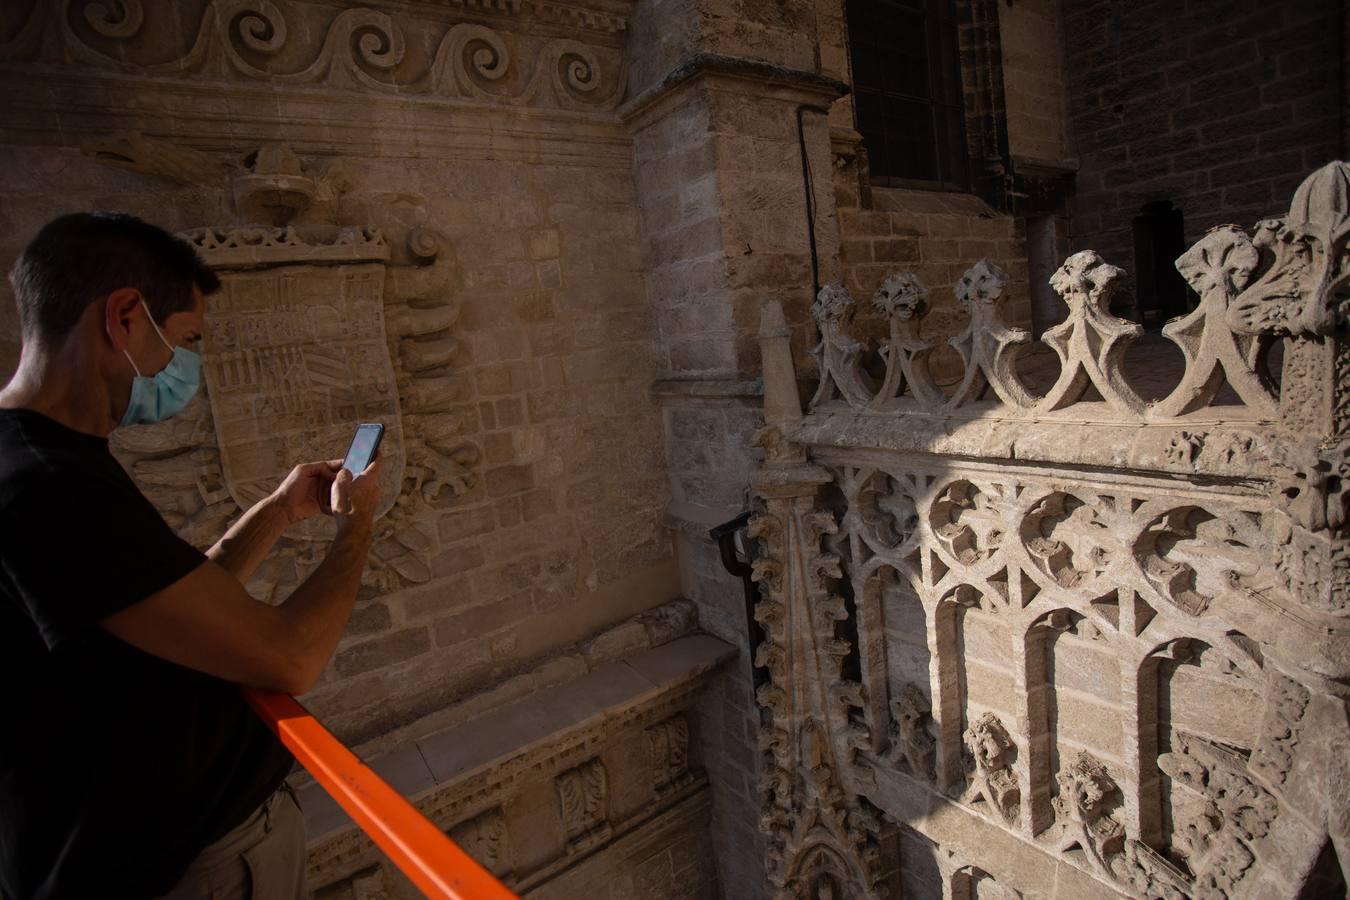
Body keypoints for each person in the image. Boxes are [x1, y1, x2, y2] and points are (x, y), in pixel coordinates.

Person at [0, 213, 382, 899]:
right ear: (123, 317)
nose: (182, 372)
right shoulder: (48, 486)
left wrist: (277, 510)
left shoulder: (33, 460)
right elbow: (290, 655)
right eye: (183, 343)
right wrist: (357, 527)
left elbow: (162, 604)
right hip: (175, 868)